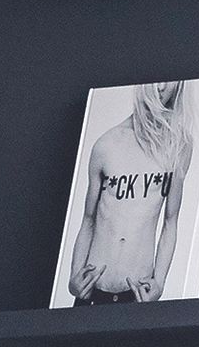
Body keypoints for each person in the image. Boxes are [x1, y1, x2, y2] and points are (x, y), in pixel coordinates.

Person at [65, 83, 191, 304]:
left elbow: (171, 222)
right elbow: (88, 219)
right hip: (93, 290)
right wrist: (75, 276)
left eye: (170, 80)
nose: (161, 87)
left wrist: (159, 282)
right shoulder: (106, 145)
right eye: (154, 80)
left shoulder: (178, 145)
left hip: (138, 294)